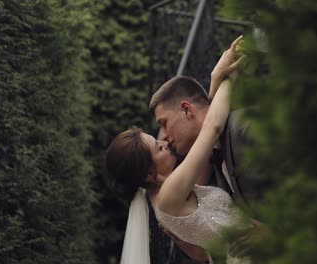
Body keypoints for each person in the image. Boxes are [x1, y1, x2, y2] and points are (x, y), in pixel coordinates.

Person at [106, 36, 250, 264]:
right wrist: (228, 78)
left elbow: (204, 130)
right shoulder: (169, 195)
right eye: (158, 146)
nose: (164, 139)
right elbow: (210, 128)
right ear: (150, 174)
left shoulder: (166, 194)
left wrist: (214, 79)